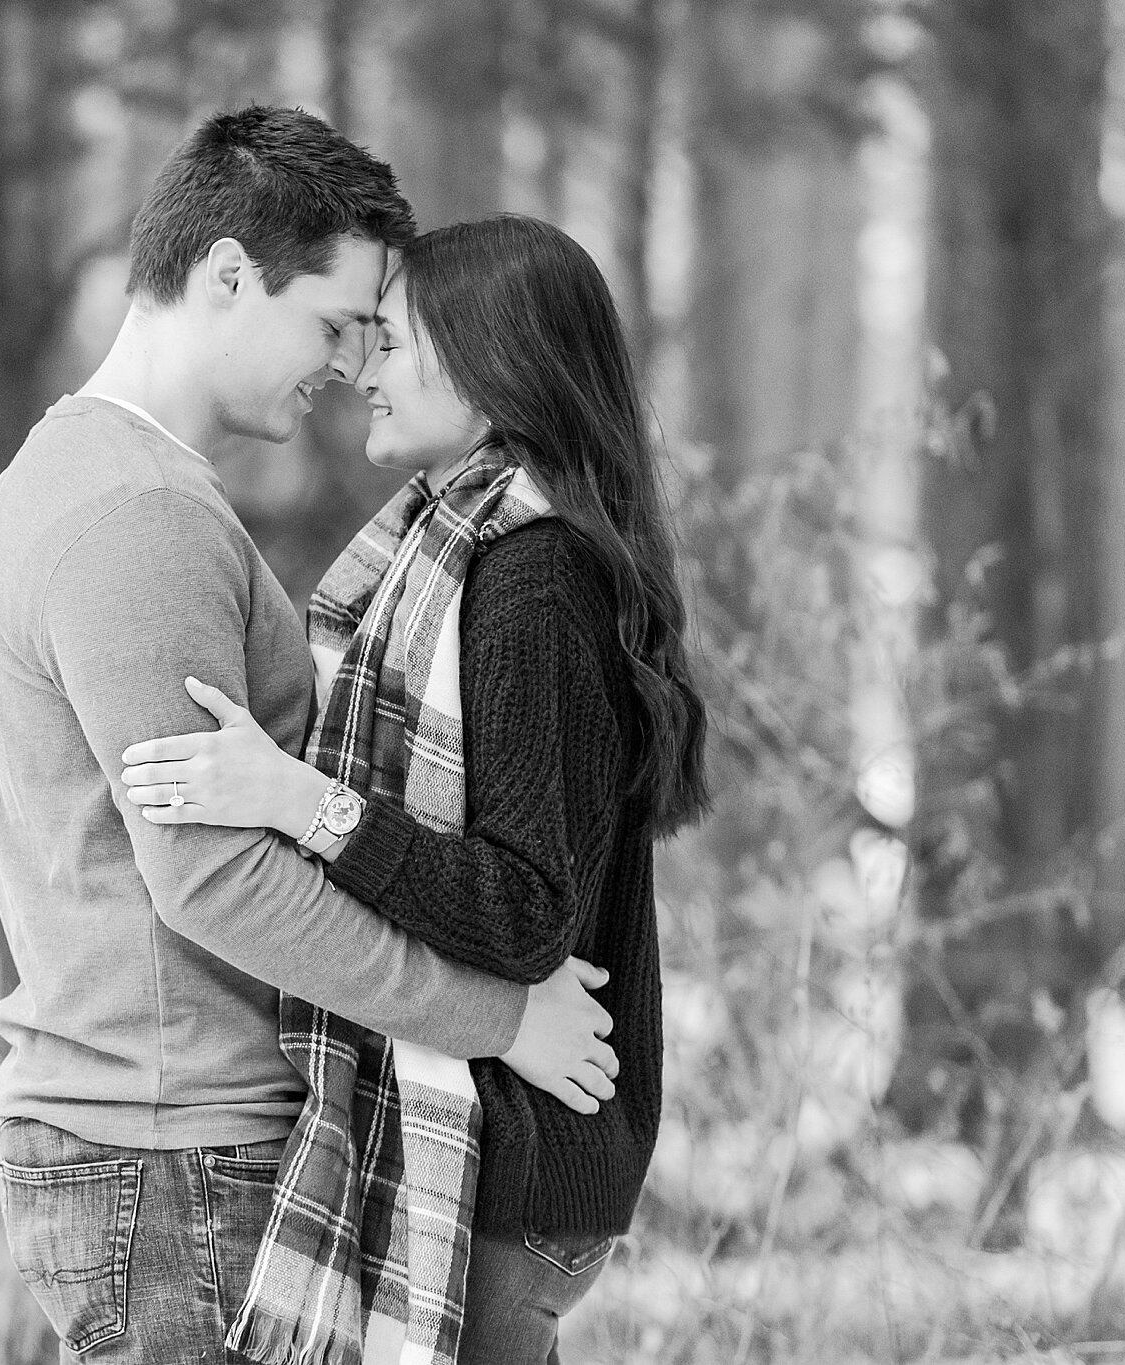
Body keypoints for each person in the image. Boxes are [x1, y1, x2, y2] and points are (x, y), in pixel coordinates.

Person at [0, 111, 622, 1364]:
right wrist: (493, 1016)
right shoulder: (136, 520)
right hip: (172, 1152)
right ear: (225, 275)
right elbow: (215, 876)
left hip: (163, 1139)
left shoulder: (103, 481)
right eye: (333, 323)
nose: (346, 363)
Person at [118, 215, 710, 1362]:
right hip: (503, 1143)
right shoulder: (446, 553)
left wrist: (298, 801)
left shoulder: (531, 581)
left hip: (514, 1165)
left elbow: (521, 908)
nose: (360, 373)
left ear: (492, 369)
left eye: (391, 344)